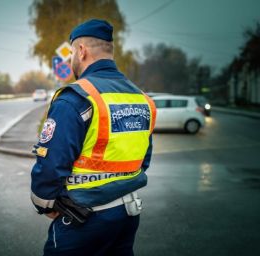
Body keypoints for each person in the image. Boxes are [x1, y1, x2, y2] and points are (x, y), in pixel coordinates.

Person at [30, 19, 157, 256]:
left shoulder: (76, 97)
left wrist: (45, 204)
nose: (71, 61)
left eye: (71, 54)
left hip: (83, 220)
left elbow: (51, 165)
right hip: (127, 216)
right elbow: (143, 159)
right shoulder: (142, 99)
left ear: (81, 50)